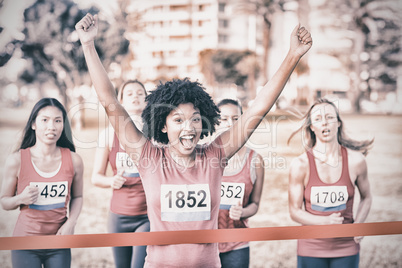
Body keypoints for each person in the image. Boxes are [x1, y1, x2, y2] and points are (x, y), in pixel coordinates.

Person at [75, 13, 312, 268]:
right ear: (162, 126)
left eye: (196, 119)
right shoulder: (148, 157)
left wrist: (292, 55)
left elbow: (258, 109)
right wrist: (88, 45)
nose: (189, 128)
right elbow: (109, 101)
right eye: (178, 120)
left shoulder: (214, 155)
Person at [287, 98, 373, 268]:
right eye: (318, 119)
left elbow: (367, 197)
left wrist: (359, 224)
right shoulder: (300, 164)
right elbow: (294, 211)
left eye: (330, 117)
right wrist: (325, 222)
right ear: (312, 127)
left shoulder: (356, 161)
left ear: (339, 123)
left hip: (346, 246)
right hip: (310, 247)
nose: (324, 123)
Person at [0, 98, 84, 268]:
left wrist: (71, 223)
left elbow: (78, 196)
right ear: (33, 124)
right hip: (25, 244)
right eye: (44, 120)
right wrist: (20, 198)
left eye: (58, 120)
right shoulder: (16, 160)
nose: (51, 126)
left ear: (63, 125)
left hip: (59, 243)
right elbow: (4, 202)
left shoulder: (74, 160)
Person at [91, 80, 150, 268]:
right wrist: (111, 181)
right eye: (130, 93)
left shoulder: (158, 134)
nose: (135, 96)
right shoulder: (108, 134)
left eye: (140, 93)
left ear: (147, 101)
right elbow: (96, 177)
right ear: (121, 101)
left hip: (148, 216)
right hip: (118, 216)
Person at [216, 99, 264, 268]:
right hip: (205, 243)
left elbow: (256, 203)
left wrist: (243, 212)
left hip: (238, 244)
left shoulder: (255, 160)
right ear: (215, 122)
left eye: (236, 119)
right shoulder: (201, 156)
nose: (230, 123)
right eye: (224, 119)